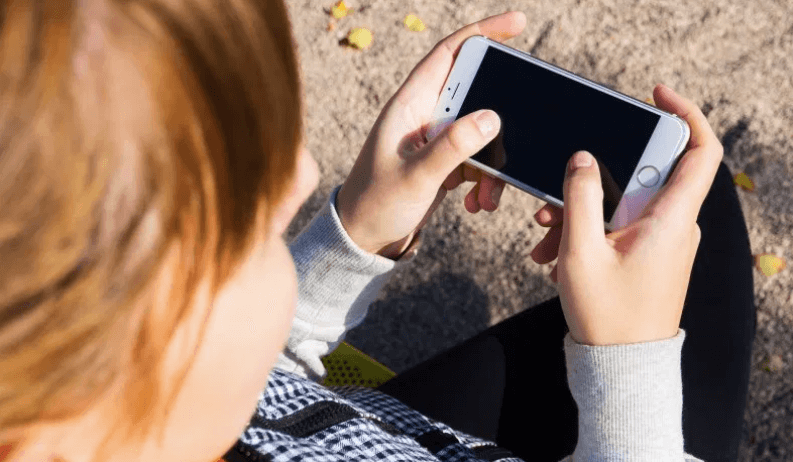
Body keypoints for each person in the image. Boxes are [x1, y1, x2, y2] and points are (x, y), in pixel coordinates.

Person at [0, 1, 754, 461]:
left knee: (672, 194)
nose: (303, 173)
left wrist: (353, 235)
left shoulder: (125, 411)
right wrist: (625, 374)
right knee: (692, 205)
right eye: (245, 229)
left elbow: (234, 386)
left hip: (363, 434)